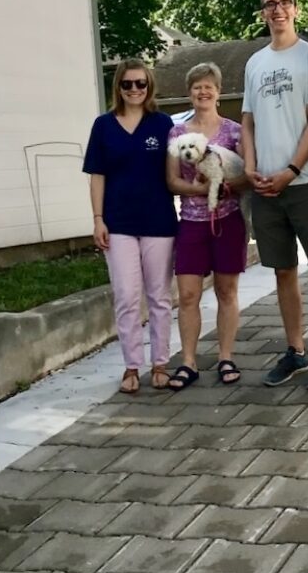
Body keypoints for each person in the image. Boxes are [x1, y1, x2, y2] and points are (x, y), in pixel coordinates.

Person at [242, 0, 308, 390]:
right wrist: (250, 168)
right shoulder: (254, 63)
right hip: (265, 187)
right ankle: (295, 350)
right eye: (270, 5)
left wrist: (292, 169)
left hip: (307, 181)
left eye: (285, 3)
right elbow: (247, 121)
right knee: (283, 270)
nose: (278, 10)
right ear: (263, 12)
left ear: (295, 10)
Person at [83, 58, 177, 394]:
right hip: (118, 223)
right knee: (126, 296)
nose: (135, 90)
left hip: (158, 222)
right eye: (128, 84)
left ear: (149, 86)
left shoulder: (163, 124)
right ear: (118, 87)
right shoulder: (104, 126)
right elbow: (97, 176)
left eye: (141, 84)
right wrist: (97, 219)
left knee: (160, 298)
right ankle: (131, 365)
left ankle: (161, 362)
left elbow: (181, 167)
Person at [166, 62, 248, 390]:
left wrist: (228, 186)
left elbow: (247, 177)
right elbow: (171, 181)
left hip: (228, 220)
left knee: (227, 292)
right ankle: (188, 361)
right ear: (190, 93)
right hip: (191, 223)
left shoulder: (234, 132)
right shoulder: (177, 134)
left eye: (209, 86)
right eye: (197, 86)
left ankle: (225, 357)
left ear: (218, 91)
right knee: (187, 295)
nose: (203, 91)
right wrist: (201, 190)